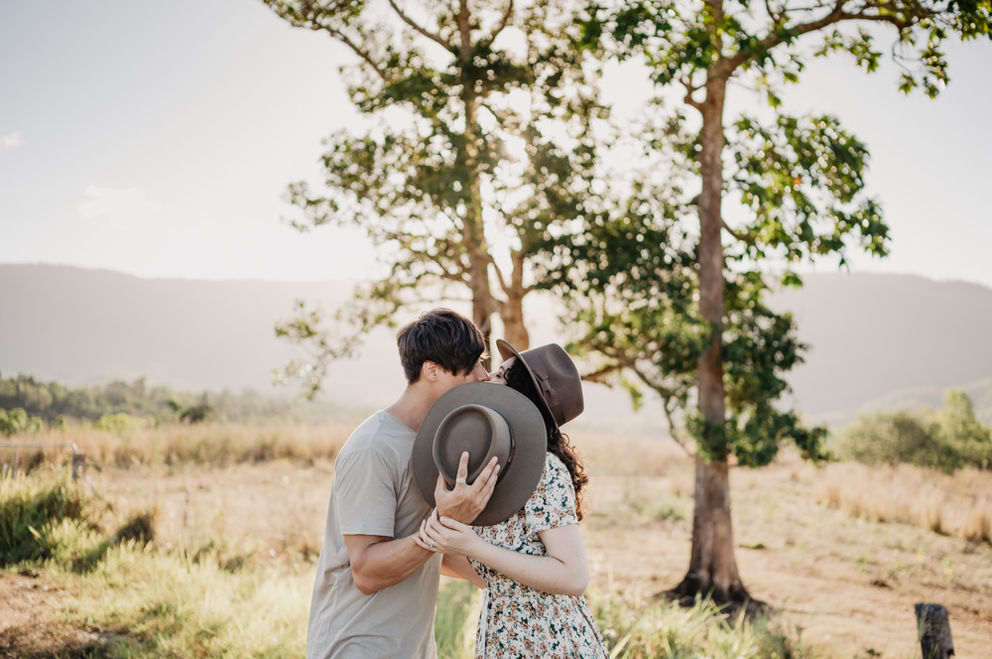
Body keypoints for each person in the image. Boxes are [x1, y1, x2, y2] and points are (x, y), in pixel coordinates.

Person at [306, 308, 502, 659]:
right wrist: (446, 522)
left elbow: (428, 553)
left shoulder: (437, 443)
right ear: (433, 370)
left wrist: (506, 577)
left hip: (413, 649)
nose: (484, 376)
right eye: (473, 365)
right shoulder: (373, 448)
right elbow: (366, 570)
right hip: (358, 646)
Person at [416, 340, 608, 658]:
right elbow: (498, 572)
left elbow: (574, 575)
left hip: (548, 643)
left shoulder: (544, 468)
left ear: (523, 395)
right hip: (503, 638)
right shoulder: (500, 463)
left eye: (502, 374)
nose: (489, 376)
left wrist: (473, 546)